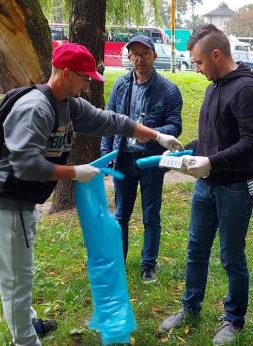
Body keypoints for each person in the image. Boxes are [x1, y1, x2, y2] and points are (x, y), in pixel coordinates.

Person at [0, 43, 183, 346]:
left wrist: (157, 135)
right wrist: (74, 173)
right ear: (67, 73)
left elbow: (112, 121)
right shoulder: (37, 108)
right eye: (85, 79)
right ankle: (25, 340)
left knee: (20, 270)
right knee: (16, 280)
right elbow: (26, 164)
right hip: (3, 200)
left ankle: (26, 320)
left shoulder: (68, 103)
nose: (88, 86)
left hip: (22, 199)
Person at [158, 24, 253, 345]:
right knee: (196, 249)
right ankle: (190, 308)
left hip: (234, 186)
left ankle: (234, 320)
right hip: (206, 185)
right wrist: (188, 149)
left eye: (198, 61)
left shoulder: (247, 90)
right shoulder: (214, 86)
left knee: (231, 255)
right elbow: (214, 138)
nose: (196, 67)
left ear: (216, 55)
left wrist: (212, 162)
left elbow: (252, 143)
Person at [100, 35, 183, 283]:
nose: (139, 58)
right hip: (124, 157)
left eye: (144, 53)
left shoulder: (169, 89)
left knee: (151, 214)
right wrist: (106, 155)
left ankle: (148, 266)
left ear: (154, 56)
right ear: (129, 57)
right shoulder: (121, 84)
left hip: (151, 161)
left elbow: (175, 125)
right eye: (134, 54)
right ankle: (119, 261)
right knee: (121, 214)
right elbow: (109, 120)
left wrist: (156, 135)